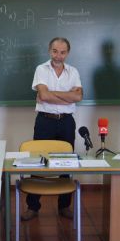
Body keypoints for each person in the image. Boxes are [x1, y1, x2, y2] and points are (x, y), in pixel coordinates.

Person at [23, 37, 83, 221]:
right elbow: (43, 94)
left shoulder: (73, 72)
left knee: (67, 163)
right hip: (45, 121)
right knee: (38, 162)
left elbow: (78, 97)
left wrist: (51, 94)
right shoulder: (41, 69)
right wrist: (67, 96)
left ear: (68, 53)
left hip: (66, 122)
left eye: (63, 52)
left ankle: (64, 206)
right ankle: (33, 207)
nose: (59, 55)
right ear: (50, 51)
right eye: (55, 51)